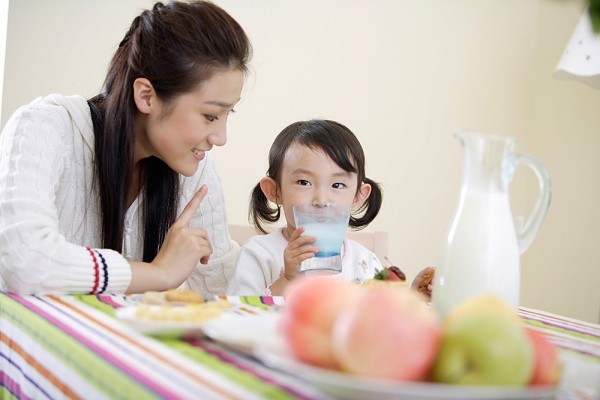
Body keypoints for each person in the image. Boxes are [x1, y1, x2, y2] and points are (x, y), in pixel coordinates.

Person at [0, 1, 252, 297]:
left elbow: (226, 293)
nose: (220, 137)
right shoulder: (45, 126)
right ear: (146, 96)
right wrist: (159, 273)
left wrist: (283, 265)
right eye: (210, 116)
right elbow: (24, 262)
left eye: (227, 115)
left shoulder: (195, 171)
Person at [226, 119, 384, 296]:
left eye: (338, 185)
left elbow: (390, 317)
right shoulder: (259, 254)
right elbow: (240, 316)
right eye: (304, 182)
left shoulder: (366, 262)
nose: (321, 200)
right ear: (274, 191)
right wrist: (287, 281)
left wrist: (417, 295)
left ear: (358, 196)